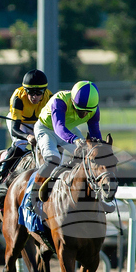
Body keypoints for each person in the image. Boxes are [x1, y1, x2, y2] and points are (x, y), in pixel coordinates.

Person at [26, 80, 103, 216]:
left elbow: (95, 134)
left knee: (88, 158)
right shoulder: (59, 101)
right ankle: (31, 198)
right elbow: (59, 127)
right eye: (80, 111)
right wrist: (75, 139)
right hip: (47, 128)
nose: (84, 115)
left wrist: (100, 150)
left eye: (87, 112)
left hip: (69, 128)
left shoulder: (94, 109)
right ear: (73, 102)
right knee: (53, 159)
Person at [0, 69, 52, 187]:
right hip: (20, 123)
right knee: (20, 145)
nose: (34, 96)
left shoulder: (50, 98)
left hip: (38, 123)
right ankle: (0, 177)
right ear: (25, 90)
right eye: (30, 92)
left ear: (44, 91)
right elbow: (15, 129)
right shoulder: (18, 98)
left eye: (39, 92)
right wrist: (28, 136)